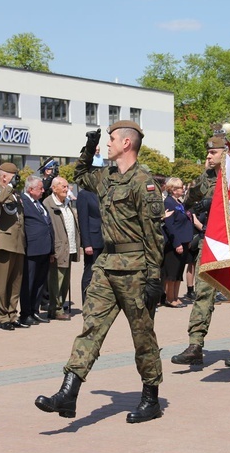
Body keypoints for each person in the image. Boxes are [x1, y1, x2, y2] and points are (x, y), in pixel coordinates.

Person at [35, 121, 165, 424]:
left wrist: (154, 277)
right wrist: (88, 149)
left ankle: (151, 398)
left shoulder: (143, 182)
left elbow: (154, 235)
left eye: (111, 139)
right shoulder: (106, 177)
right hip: (107, 267)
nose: (107, 144)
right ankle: (68, 391)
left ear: (127, 144)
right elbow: (79, 176)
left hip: (135, 270)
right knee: (91, 328)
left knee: (143, 336)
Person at [170, 136, 230, 367]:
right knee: (203, 292)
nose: (208, 156)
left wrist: (215, 202)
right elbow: (189, 199)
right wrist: (196, 204)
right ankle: (195, 344)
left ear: (225, 154)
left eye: (213, 153)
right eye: (208, 153)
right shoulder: (206, 178)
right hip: (211, 242)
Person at [0, 162, 26, 330]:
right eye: (12, 176)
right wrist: (9, 186)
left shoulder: (16, 194)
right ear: (4, 177)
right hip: (3, 242)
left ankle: (12, 314)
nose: (15, 180)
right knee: (2, 283)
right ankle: (2, 316)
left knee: (15, 283)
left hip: (18, 242)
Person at [43, 176, 80, 320]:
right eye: (63, 186)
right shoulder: (48, 204)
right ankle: (55, 309)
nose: (67, 189)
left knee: (64, 281)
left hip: (69, 247)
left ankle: (59, 306)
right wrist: (51, 249)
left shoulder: (67, 203)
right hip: (57, 248)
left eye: (67, 186)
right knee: (56, 280)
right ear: (54, 188)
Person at [20, 175, 54, 326]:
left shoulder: (39, 204)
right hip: (31, 249)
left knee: (40, 283)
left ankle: (35, 311)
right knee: (29, 283)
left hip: (45, 249)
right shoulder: (23, 202)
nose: (43, 190)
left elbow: (47, 224)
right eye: (40, 188)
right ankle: (25, 313)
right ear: (30, 189)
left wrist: (52, 249)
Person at [162, 177, 193, 308]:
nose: (183, 189)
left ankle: (176, 296)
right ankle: (170, 298)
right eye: (180, 187)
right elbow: (169, 225)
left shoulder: (178, 202)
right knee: (172, 272)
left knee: (179, 271)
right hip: (175, 243)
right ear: (173, 190)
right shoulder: (169, 203)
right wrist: (177, 243)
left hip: (184, 241)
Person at [76, 188, 103, 303]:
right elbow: (83, 220)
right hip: (93, 239)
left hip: (105, 238)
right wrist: (87, 243)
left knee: (102, 272)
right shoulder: (84, 194)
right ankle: (87, 302)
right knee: (89, 272)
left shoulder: (103, 191)